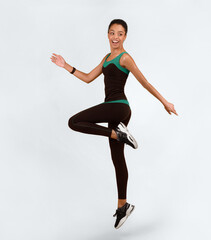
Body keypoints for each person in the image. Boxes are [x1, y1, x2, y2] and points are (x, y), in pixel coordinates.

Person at [50, 19, 178, 229]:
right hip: (112, 109)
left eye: (120, 34)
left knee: (74, 121)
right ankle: (123, 205)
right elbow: (89, 77)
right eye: (112, 33)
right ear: (107, 35)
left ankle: (118, 133)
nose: (115, 37)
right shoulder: (107, 58)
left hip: (119, 107)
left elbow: (144, 82)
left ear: (125, 36)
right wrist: (66, 66)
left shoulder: (125, 58)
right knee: (117, 159)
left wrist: (165, 102)